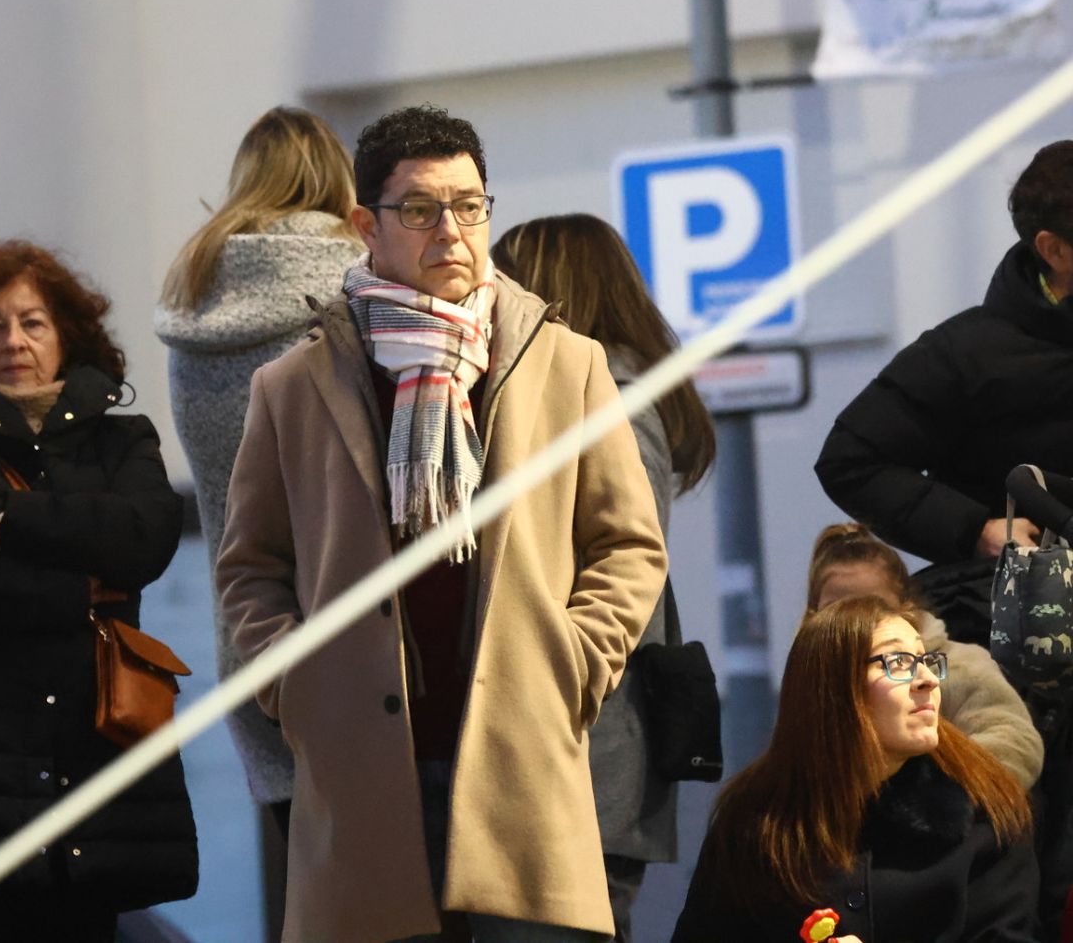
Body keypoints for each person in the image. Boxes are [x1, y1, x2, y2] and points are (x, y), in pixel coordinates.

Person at [216, 105, 667, 942]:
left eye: (470, 206)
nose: (451, 232)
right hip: (362, 762)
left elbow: (629, 545)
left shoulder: (562, 363)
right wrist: (299, 687)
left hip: (519, 752)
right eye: (420, 210)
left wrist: (573, 661)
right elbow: (248, 566)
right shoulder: (295, 384)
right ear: (366, 226)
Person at [0, 241, 196, 942]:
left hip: (99, 747)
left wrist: (13, 524)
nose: (14, 341)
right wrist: (82, 584)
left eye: (33, 322)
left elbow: (146, 535)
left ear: (67, 337)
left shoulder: (122, 440)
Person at [490, 213, 715, 943]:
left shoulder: (611, 398)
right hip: (591, 748)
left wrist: (553, 675)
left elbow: (627, 577)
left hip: (592, 748)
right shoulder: (599, 394)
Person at [154, 106, 360, 841]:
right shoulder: (361, 293)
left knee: (318, 898)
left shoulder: (197, 304)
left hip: (247, 639)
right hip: (363, 646)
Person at [816, 141, 1073, 644]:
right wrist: (978, 527)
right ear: (1054, 250)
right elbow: (851, 459)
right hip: (1036, 643)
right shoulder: (966, 353)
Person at [671, 595, 1037, 941]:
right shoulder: (754, 825)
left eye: (927, 661)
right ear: (833, 687)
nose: (927, 679)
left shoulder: (985, 815)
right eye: (898, 663)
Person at [806, 522, 1043, 790]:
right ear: (813, 615)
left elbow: (1017, 742)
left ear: (907, 607)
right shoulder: (811, 679)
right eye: (838, 608)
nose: (859, 621)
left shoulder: (962, 666)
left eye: (877, 607)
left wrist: (938, 794)